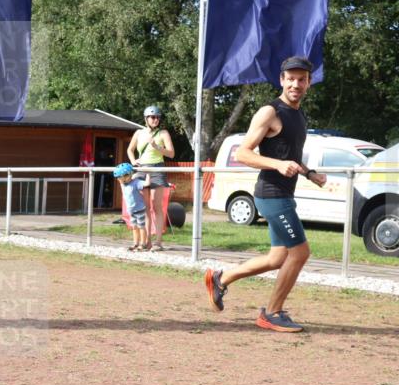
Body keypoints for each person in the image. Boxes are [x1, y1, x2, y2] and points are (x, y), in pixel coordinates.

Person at [204, 56, 327, 333]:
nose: (296, 84)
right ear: (282, 80)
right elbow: (243, 153)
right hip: (271, 195)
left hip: (283, 193)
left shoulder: (299, 114)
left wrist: (309, 174)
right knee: (300, 252)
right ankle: (271, 313)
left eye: (301, 79)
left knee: (276, 258)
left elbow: (290, 156)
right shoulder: (270, 112)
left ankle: (221, 278)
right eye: (290, 79)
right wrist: (278, 165)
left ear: (308, 82)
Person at [127, 106, 175, 251]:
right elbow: (130, 149)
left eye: (158, 117)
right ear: (146, 118)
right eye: (153, 117)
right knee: (145, 207)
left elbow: (171, 154)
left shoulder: (163, 133)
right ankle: (146, 241)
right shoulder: (139, 133)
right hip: (141, 170)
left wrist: (156, 147)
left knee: (156, 206)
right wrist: (133, 161)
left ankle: (158, 242)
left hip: (157, 169)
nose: (156, 120)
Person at [113, 163, 149, 251]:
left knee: (141, 226)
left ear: (127, 176)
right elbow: (131, 174)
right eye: (117, 178)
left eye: (120, 178)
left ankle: (143, 244)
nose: (119, 180)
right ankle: (135, 243)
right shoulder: (123, 184)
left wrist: (148, 173)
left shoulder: (136, 182)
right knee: (134, 227)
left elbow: (147, 183)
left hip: (139, 209)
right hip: (131, 210)